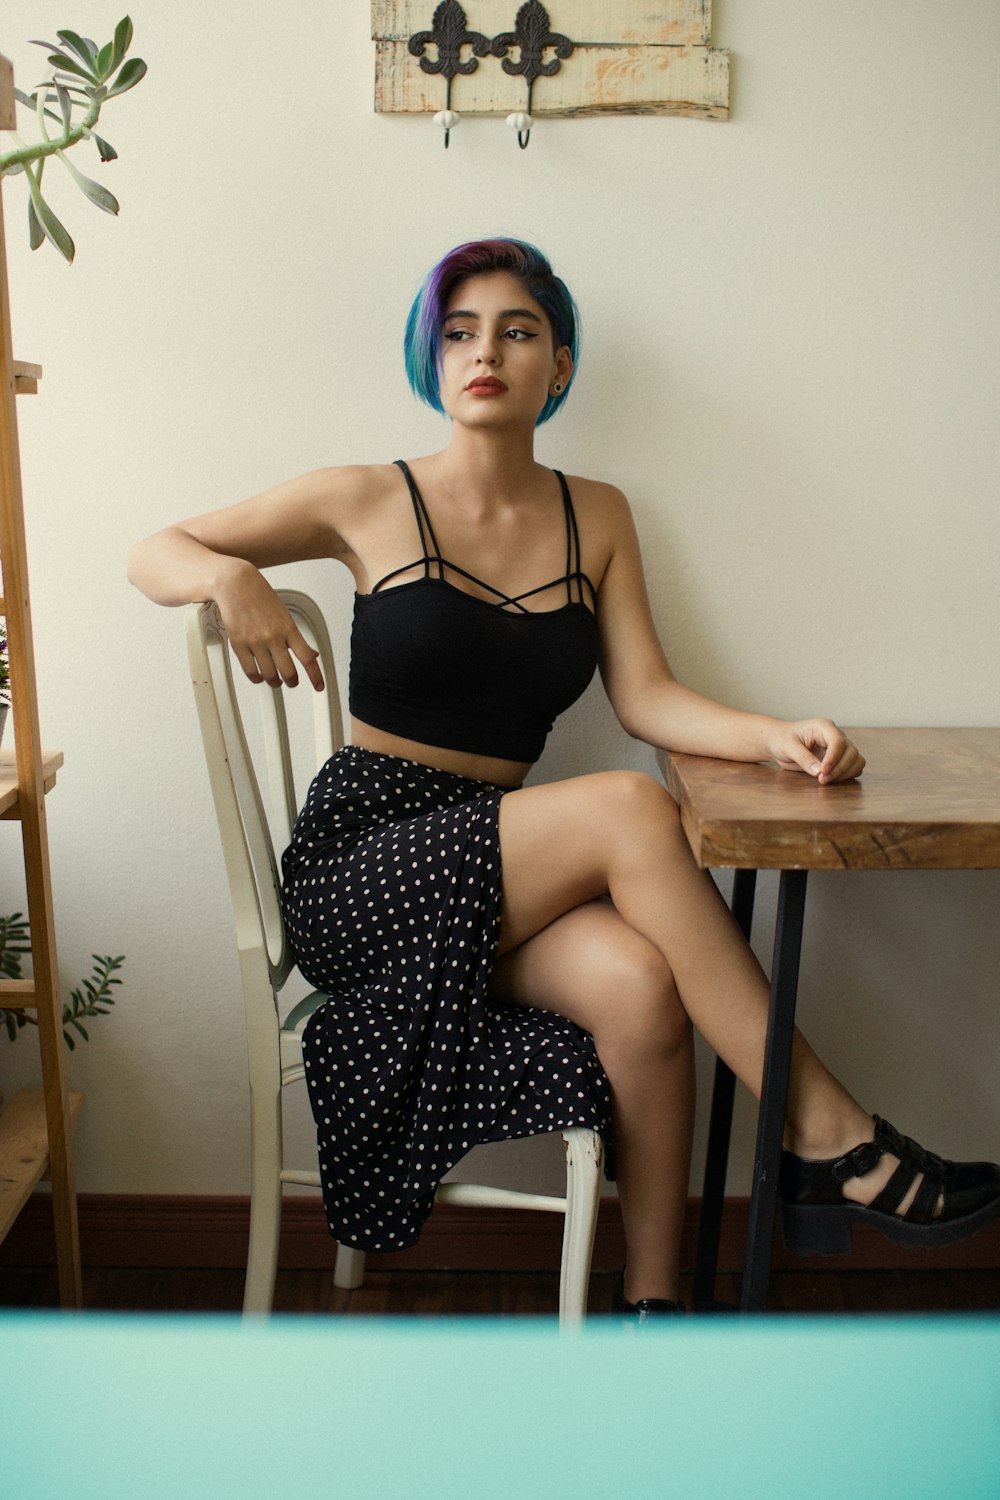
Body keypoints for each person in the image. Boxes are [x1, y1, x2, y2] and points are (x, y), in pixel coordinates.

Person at [129, 237, 1000, 1318]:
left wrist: (771, 734)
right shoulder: (364, 496)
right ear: (431, 360)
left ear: (562, 366)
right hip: (363, 866)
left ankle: (650, 1307)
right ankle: (828, 1133)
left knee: (640, 985)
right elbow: (149, 549)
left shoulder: (600, 514)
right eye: (458, 332)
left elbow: (644, 698)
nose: (482, 351)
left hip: (496, 868)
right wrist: (223, 574)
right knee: (635, 806)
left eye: (516, 329)